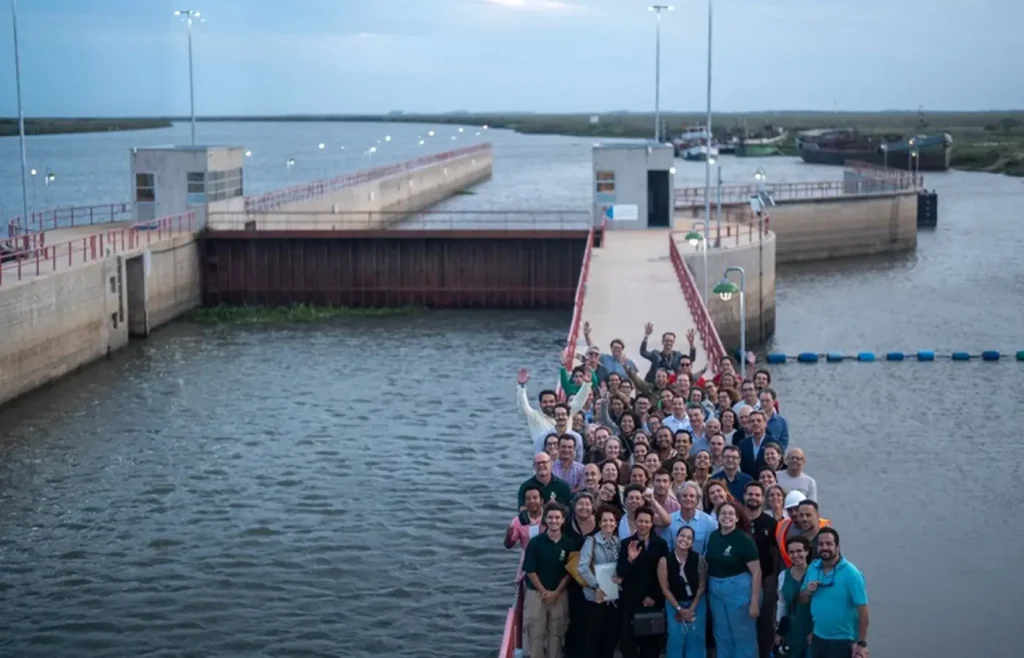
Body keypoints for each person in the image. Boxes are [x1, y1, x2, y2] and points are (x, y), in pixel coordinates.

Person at [704, 501, 761, 658]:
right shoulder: (714, 537)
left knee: (742, 634)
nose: (726, 516)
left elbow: (756, 572)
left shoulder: (744, 540)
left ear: (737, 518)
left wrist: (754, 601)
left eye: (731, 514)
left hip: (739, 590)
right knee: (721, 634)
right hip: (715, 590)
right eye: (723, 513)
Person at [800, 528, 870, 658]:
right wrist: (807, 592)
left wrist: (861, 643)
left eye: (829, 544)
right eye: (821, 544)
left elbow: (863, 609)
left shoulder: (851, 573)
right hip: (818, 637)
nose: (824, 547)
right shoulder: (813, 568)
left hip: (843, 640)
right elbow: (803, 599)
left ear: (837, 547)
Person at [522, 502, 575, 658]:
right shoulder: (535, 543)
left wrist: (556, 592)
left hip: (559, 594)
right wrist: (544, 592)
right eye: (550, 517)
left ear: (563, 519)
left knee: (557, 632)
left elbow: (569, 571)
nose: (554, 521)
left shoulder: (569, 544)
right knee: (536, 632)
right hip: (536, 593)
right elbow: (530, 570)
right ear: (545, 519)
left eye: (557, 518)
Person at [616, 506, 669, 658]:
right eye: (640, 521)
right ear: (635, 522)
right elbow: (620, 572)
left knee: (651, 646)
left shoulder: (660, 544)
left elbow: (665, 574)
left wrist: (654, 596)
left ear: (652, 523)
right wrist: (630, 559)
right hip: (630, 601)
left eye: (647, 521)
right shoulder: (626, 543)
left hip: (652, 601)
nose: (643, 525)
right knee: (628, 645)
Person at [657, 526, 708, 658]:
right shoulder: (664, 560)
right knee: (676, 639)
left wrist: (691, 609)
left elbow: (702, 585)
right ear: (676, 537)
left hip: (696, 603)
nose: (684, 539)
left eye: (689, 537)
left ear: (692, 542)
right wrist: (680, 609)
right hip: (674, 603)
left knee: (696, 639)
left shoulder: (698, 559)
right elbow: (665, 589)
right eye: (682, 536)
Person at [578, 507, 623, 658]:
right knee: (594, 638)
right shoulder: (591, 541)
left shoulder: (618, 542)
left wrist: (621, 578)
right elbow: (582, 567)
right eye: (605, 520)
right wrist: (596, 585)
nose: (608, 523)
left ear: (616, 523)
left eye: (611, 520)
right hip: (595, 596)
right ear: (599, 523)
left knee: (610, 638)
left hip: (613, 598)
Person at [743, 482, 779, 658]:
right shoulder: (737, 520)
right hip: (741, 580)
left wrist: (773, 579)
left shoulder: (770, 523)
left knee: (765, 622)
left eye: (757, 495)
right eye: (750, 494)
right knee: (744, 621)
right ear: (744, 496)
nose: (753, 498)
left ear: (762, 499)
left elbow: (775, 552)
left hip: (765, 579)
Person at [776, 536, 814, 658]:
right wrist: (779, 631)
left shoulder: (816, 574)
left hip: (812, 630)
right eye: (791, 552)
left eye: (799, 551)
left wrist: (816, 631)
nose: (795, 555)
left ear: (807, 552)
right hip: (791, 631)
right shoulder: (783, 576)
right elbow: (782, 605)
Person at [664, 481, 718, 553]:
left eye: (692, 496)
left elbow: (710, 549)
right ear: (678, 499)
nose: (688, 498)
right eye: (684, 496)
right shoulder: (670, 520)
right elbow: (667, 548)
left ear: (697, 500)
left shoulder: (709, 521)